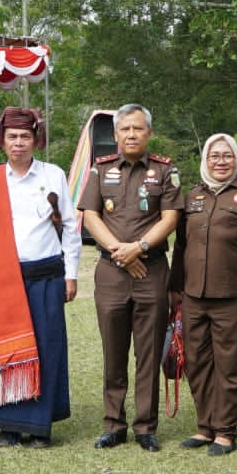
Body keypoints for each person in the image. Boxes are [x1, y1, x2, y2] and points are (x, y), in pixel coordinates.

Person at [0, 107, 82, 448]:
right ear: (2, 141)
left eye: (25, 137)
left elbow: (70, 228)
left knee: (46, 348)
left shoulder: (53, 174)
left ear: (35, 139)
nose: (18, 143)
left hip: (47, 274)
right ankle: (8, 426)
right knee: (7, 348)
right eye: (12, 137)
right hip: (4, 277)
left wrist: (70, 275)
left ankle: (40, 427)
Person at [78, 103, 184, 452]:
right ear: (116, 134)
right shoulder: (100, 169)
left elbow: (169, 219)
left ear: (149, 133)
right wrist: (118, 252)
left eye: (138, 128)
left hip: (151, 270)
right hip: (111, 272)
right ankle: (113, 424)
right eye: (125, 129)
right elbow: (90, 217)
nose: (132, 134)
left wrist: (137, 248)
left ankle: (145, 426)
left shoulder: (165, 172)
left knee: (149, 351)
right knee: (114, 351)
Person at [169, 134, 237, 455]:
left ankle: (226, 431)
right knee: (198, 363)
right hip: (193, 296)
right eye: (214, 156)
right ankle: (205, 427)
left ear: (236, 159)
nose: (220, 161)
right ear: (205, 159)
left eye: (227, 156)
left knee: (231, 365)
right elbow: (182, 248)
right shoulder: (192, 197)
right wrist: (175, 289)